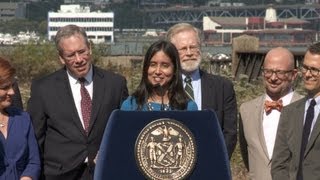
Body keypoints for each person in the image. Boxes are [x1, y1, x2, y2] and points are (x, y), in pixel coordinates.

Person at [27, 25, 128, 179]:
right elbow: (36, 138)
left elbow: (123, 132)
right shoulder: (43, 89)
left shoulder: (115, 84)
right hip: (59, 174)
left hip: (103, 172)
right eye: (71, 55)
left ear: (90, 48)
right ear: (61, 58)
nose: (79, 60)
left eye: (82, 52)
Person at [166, 23, 237, 158]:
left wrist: (215, 162)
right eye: (182, 48)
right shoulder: (163, 87)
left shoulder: (222, 87)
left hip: (212, 163)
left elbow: (230, 134)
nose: (189, 53)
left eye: (193, 47)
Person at [239, 47, 303, 180]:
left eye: (280, 72)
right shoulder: (246, 110)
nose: (273, 78)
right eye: (268, 71)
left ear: (294, 74)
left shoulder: (307, 108)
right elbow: (247, 154)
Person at [271, 42, 320, 180]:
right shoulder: (289, 112)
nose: (307, 74)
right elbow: (279, 163)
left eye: (314, 70)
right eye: (305, 67)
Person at [121, 40, 197, 111]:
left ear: (174, 69)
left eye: (165, 65)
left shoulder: (188, 107)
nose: (157, 71)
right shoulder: (131, 106)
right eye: (153, 65)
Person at [0, 57, 40, 180]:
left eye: (12, 85)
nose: (12, 92)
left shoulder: (22, 118)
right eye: (5, 87)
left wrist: (27, 177)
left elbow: (33, 162)